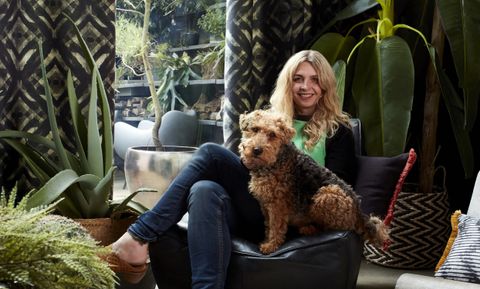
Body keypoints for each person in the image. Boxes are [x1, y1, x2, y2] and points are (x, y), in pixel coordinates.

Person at [110, 50, 355, 289]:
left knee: (209, 157)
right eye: (298, 79)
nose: (305, 87)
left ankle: (140, 235)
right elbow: (242, 165)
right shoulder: (268, 119)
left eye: (314, 80)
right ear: (287, 83)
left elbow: (335, 190)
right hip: (253, 206)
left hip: (293, 217)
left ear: (325, 86)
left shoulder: (337, 131)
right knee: (204, 188)